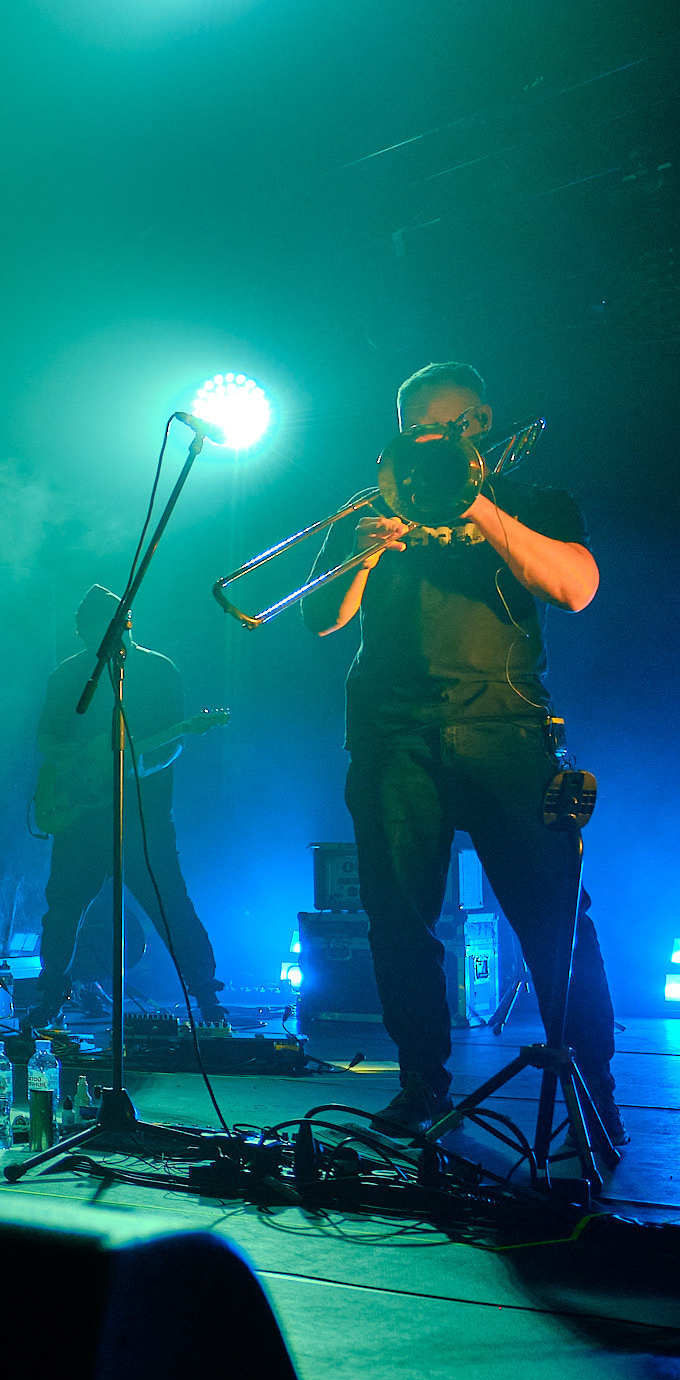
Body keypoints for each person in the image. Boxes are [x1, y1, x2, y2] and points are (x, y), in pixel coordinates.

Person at [300, 361, 619, 1143]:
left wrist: (477, 503)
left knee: (555, 919)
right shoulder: (373, 508)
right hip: (393, 737)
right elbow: (320, 621)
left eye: (440, 429)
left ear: (477, 424)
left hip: (508, 732)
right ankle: (420, 1085)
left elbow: (576, 587)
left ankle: (592, 1084)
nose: (425, 444)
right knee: (399, 923)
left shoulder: (534, 502)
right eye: (413, 433)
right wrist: (367, 551)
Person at [22, 585, 226, 1032]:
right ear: (81, 633)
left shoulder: (158, 671)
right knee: (62, 910)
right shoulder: (69, 674)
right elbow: (45, 738)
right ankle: (52, 993)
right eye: (93, 632)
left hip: (143, 817)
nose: (106, 640)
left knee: (171, 905)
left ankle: (208, 999)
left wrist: (132, 768)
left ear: (127, 624)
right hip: (81, 819)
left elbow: (174, 741)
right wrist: (77, 762)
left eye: (113, 629)